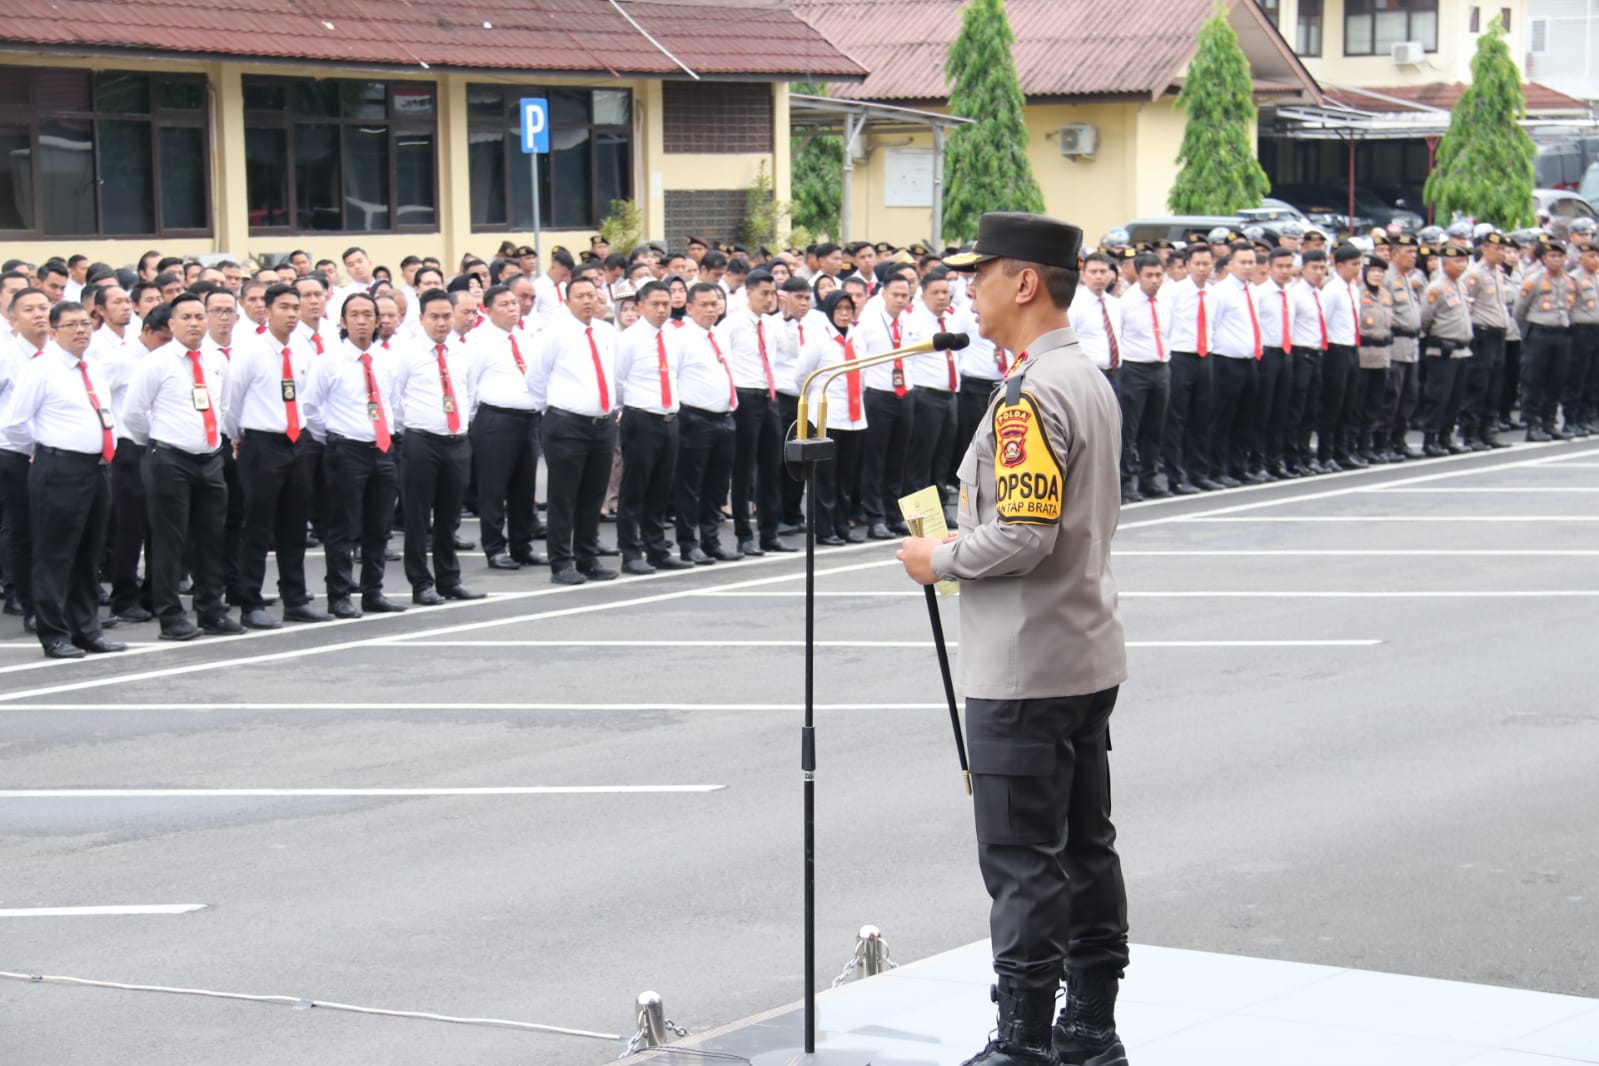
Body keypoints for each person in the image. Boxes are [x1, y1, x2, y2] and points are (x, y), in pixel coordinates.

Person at [897, 212, 1129, 1066]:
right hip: (1080, 647)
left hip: (1025, 663)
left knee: (1023, 859)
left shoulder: (1030, 395)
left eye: (981, 273)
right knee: (1084, 846)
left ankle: (1025, 1040)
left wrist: (936, 556)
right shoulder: (1083, 376)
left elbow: (1022, 537)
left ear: (1024, 282)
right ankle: (1090, 1024)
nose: (968, 289)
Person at [0, 301, 125, 658]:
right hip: (58, 468)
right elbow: (15, 422)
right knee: (55, 555)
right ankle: (53, 633)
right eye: (72, 324)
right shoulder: (42, 369)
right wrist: (46, 452)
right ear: (54, 333)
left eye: (86, 323)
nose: (82, 330)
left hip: (96, 468)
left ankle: (87, 629)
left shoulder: (93, 369)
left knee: (89, 554)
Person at [121, 292, 244, 640]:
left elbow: (224, 406)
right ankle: (171, 615)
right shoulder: (156, 363)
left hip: (209, 458)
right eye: (186, 318)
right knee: (169, 542)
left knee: (211, 538)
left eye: (199, 317)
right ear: (171, 324)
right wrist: (159, 442)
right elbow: (133, 414)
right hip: (170, 459)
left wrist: (211, 442)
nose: (194, 323)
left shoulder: (217, 361)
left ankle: (210, 610)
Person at [221, 282, 329, 628]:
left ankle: (295, 598)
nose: (292, 314)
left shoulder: (302, 352)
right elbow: (232, 402)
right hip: (261, 444)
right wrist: (239, 437)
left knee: (294, 526)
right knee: (257, 526)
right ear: (267, 311)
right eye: (284, 307)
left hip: (296, 443)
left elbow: (309, 399)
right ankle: (251, 601)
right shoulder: (251, 352)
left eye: (296, 308)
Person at [303, 292, 405, 618]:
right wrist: (335, 435)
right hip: (346, 450)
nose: (362, 321)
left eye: (368, 314)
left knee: (379, 526)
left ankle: (373, 591)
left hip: (382, 450)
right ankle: (340, 594)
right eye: (355, 315)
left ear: (377, 320)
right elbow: (310, 408)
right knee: (343, 528)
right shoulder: (328, 361)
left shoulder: (387, 359)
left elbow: (394, 403)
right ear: (344, 322)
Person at [393, 289, 485, 604]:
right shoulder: (408, 354)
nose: (442, 323)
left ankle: (449, 579)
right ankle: (421, 583)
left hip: (456, 442)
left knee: (449, 517)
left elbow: (469, 395)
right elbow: (395, 398)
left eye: (447, 316)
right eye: (434, 316)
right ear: (421, 319)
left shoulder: (463, 353)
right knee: (419, 517)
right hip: (421, 441)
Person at [528, 276, 620, 584]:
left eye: (592, 295)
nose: (587, 301)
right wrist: (554, 410)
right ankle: (561, 562)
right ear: (567, 301)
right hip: (567, 423)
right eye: (580, 296)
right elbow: (536, 378)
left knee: (592, 495)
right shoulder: (555, 334)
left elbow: (613, 374)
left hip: (602, 424)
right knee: (563, 496)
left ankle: (587, 557)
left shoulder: (607, 332)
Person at [613, 281, 692, 575]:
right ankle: (630, 552)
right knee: (634, 488)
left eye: (666, 304)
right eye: (655, 304)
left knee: (660, 488)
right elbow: (618, 379)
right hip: (641, 418)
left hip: (669, 418)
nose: (661, 310)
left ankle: (656, 548)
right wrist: (628, 409)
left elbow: (677, 374)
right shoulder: (630, 338)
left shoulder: (673, 337)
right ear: (641, 305)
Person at [465, 284, 545, 570]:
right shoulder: (478, 341)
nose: (513, 308)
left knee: (523, 488)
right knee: (493, 487)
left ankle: (522, 545)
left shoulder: (524, 337)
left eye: (514, 302)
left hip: (527, 418)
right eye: (504, 304)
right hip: (495, 419)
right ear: (487, 310)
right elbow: (469, 383)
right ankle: (495, 547)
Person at [668, 282, 740, 565]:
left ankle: (711, 540)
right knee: (689, 485)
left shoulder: (719, 335)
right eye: (704, 305)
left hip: (723, 418)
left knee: (716, 485)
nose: (711, 309)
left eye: (715, 304)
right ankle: (688, 543)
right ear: (689, 307)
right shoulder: (681, 337)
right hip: (694, 418)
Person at [723, 269, 793, 556]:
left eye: (772, 293)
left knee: (771, 466)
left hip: (769, 396)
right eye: (763, 293)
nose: (769, 299)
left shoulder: (772, 323)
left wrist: (786, 318)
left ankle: (769, 532)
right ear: (748, 292)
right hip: (744, 395)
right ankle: (743, 534)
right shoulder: (733, 323)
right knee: (744, 468)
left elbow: (791, 350)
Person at [794, 291, 868, 545]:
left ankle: (842, 525)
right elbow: (802, 375)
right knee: (826, 477)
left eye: (849, 308)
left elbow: (863, 376)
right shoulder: (819, 338)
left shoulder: (856, 337)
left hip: (854, 416)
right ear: (830, 311)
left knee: (846, 478)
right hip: (828, 417)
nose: (845, 313)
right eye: (840, 309)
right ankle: (824, 529)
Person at [1, 287, 51, 632]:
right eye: (29, 309)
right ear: (13, 319)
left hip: (54, 456)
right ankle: (27, 600)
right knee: (23, 530)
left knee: (56, 532)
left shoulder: (58, 355)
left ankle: (59, 602)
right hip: (15, 453)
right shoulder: (7, 355)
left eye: (44, 307)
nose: (39, 314)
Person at [854, 273, 916, 539]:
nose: (900, 300)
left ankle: (893, 513)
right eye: (896, 295)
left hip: (905, 394)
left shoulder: (909, 322)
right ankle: (874, 516)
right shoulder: (869, 321)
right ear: (884, 294)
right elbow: (859, 360)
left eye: (905, 296)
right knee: (875, 460)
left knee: (897, 459)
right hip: (879, 395)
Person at [1115, 252, 1170, 501]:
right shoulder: (1125, 303)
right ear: (1138, 276)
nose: (1155, 280)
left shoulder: (1165, 300)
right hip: (1134, 368)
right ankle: (1127, 482)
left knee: (1155, 427)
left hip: (1160, 367)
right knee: (1130, 429)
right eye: (1149, 275)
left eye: (1159, 275)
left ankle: (1150, 477)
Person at [1162, 243, 1216, 493]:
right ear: (1188, 265)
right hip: (1180, 357)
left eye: (1207, 264)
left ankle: (1199, 472)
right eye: (1197, 264)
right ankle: (1176, 475)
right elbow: (1166, 326)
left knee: (1202, 418)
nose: (1202, 269)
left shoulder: (1213, 293)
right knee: (1177, 419)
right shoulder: (1174, 291)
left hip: (1205, 357)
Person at [1207, 243, 1262, 487]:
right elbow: (1213, 326)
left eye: (1252, 262)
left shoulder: (1252, 290)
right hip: (1226, 362)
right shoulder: (1221, 291)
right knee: (1223, 419)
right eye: (1243, 262)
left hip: (1249, 361)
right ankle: (1218, 469)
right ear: (1230, 264)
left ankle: (1239, 466)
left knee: (1246, 418)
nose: (1248, 267)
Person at [904, 271, 960, 503]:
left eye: (945, 292)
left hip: (949, 396)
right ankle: (920, 511)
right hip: (925, 395)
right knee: (922, 458)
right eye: (935, 292)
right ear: (923, 294)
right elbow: (908, 360)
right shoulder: (914, 320)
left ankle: (940, 506)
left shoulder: (950, 319)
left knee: (942, 457)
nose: (941, 297)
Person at [1514, 240, 1577, 441]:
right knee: (1534, 380)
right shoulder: (1534, 280)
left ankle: (1549, 422)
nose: (1556, 260)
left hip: (1561, 333)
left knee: (1556, 380)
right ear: (1543, 258)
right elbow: (1519, 311)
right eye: (1552, 256)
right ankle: (1532, 424)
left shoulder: (1569, 281)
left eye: (1560, 256)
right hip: (1539, 334)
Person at [1420, 246, 1477, 454]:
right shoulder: (1437, 288)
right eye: (1458, 261)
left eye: (1464, 261)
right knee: (1438, 397)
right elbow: (1425, 319)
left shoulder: (1460, 286)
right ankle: (1430, 439)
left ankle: (1446, 437)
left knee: (1455, 397)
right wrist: (1434, 340)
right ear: (1445, 262)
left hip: (1461, 350)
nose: (1462, 265)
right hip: (1442, 350)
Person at [1461, 233, 1513, 450]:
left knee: (1494, 384)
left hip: (1499, 333)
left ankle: (1487, 430)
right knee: (1478, 384)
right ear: (1484, 249)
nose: (1501, 253)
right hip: (1482, 334)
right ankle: (1471, 433)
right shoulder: (1475, 274)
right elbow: (1466, 304)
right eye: (1496, 248)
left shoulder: (1498, 273)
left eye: (1503, 249)